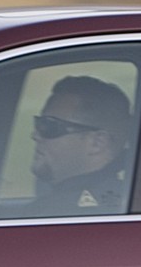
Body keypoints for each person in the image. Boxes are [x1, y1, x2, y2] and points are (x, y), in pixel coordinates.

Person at [26, 74, 134, 215]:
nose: (35, 135)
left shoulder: (66, 213)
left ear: (97, 143)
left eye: (50, 126)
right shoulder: (117, 200)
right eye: (40, 123)